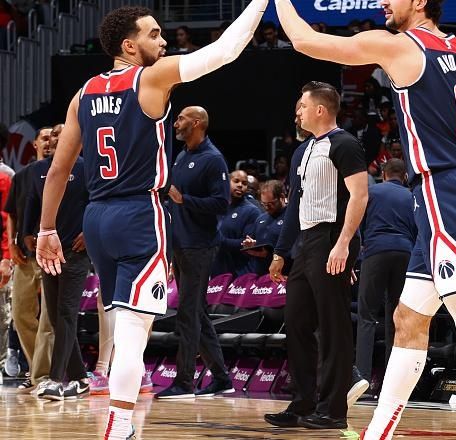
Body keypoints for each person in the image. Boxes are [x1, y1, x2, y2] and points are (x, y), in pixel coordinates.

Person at [274, 0, 456, 438]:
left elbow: (305, 40)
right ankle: (379, 431)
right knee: (409, 317)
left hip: (442, 191)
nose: (384, 2)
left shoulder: (400, 48)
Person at [34, 2, 268, 439]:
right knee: (132, 331)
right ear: (129, 45)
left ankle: (121, 425)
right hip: (141, 212)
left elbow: (61, 170)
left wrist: (48, 229)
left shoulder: (83, 93)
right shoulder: (151, 78)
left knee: (123, 320)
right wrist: (260, 3)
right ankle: (119, 427)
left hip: (98, 217)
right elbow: (226, 50)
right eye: (154, 34)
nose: (163, 42)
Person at [264, 81, 368, 430]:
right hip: (306, 243)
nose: (298, 112)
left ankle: (334, 410)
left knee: (334, 325)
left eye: (302, 107)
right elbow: (294, 206)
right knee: (296, 322)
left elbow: (360, 196)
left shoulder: (346, 144)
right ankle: (304, 401)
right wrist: (280, 251)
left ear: (320, 110)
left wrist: (344, 244)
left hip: (332, 238)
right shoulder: (302, 150)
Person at [155, 106, 234, 399]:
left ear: (198, 122)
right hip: (181, 245)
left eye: (181, 118)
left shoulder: (212, 159)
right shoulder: (182, 155)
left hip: (201, 246)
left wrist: (184, 199)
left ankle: (184, 382)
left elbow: (221, 204)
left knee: (188, 314)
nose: (176, 123)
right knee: (196, 313)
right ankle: (222, 378)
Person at [22, 132, 90, 400]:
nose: (56, 139)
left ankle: (54, 379)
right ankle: (80, 379)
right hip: (48, 252)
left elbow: (97, 201)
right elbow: (33, 202)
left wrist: (89, 230)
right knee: (55, 314)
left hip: (75, 251)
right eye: (54, 135)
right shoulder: (40, 169)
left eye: (63, 134)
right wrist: (27, 232)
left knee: (65, 314)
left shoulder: (88, 167)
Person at [355, 159, 416, 388]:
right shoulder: (412, 196)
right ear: (405, 176)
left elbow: (358, 222)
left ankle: (362, 378)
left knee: (367, 316)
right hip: (405, 253)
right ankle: (393, 383)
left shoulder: (372, 191)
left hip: (376, 251)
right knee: (397, 317)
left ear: (383, 173)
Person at [5, 126, 55, 394]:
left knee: (48, 317)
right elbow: (11, 212)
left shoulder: (62, 172)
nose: (48, 142)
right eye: (44, 138)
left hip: (52, 254)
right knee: (21, 313)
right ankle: (39, 368)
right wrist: (12, 245)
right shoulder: (22, 176)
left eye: (52, 138)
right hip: (24, 256)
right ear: (35, 143)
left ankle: (40, 374)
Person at [211, 170, 262, 276]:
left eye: (244, 183)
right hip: (216, 270)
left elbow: (247, 244)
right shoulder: (217, 207)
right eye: (236, 181)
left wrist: (220, 240)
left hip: (239, 272)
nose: (240, 185)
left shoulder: (252, 211)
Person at [241, 180, 287, 275]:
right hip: (261, 275)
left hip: (284, 272)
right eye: (264, 204)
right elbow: (254, 243)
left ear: (282, 197)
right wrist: (251, 245)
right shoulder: (260, 219)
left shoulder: (292, 217)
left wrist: (269, 255)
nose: (266, 207)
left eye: (271, 204)